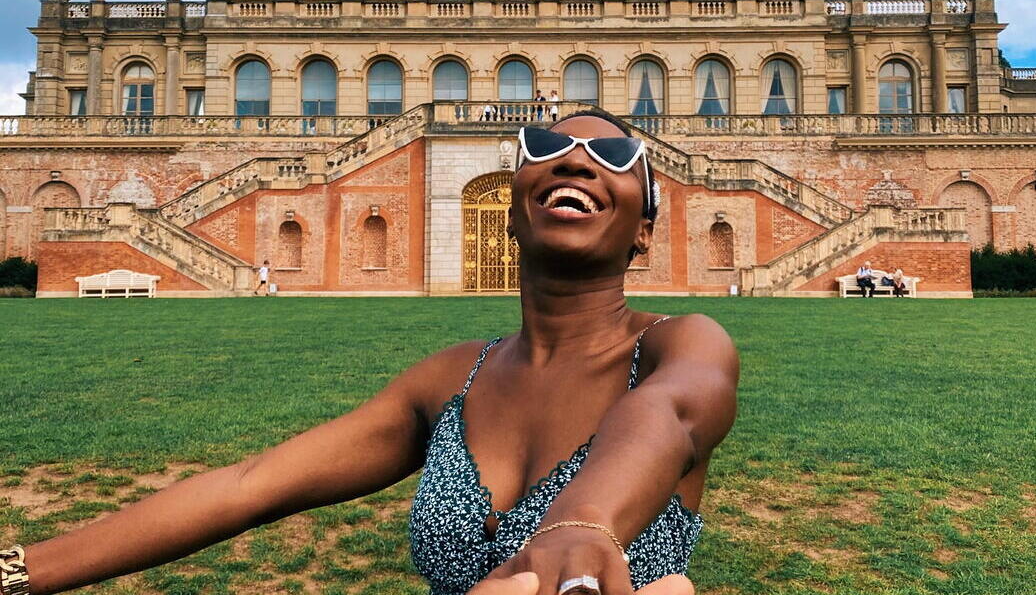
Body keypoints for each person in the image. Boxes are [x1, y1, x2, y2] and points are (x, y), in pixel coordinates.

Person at [2, 110, 738, 595]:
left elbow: (668, 415)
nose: (575, 160)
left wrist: (581, 526)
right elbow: (249, 486)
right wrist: (14, 572)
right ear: (513, 211)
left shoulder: (679, 343)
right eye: (545, 148)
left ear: (643, 230)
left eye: (612, 154)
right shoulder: (453, 378)